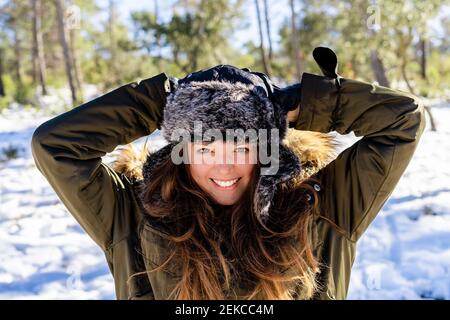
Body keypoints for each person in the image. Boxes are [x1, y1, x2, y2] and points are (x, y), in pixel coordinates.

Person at [31, 47, 426, 300]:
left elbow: (403, 121)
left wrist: (304, 105)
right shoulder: (133, 209)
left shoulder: (322, 200)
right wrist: (164, 103)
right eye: (204, 147)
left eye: (242, 146)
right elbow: (56, 145)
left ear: (268, 148)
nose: (223, 166)